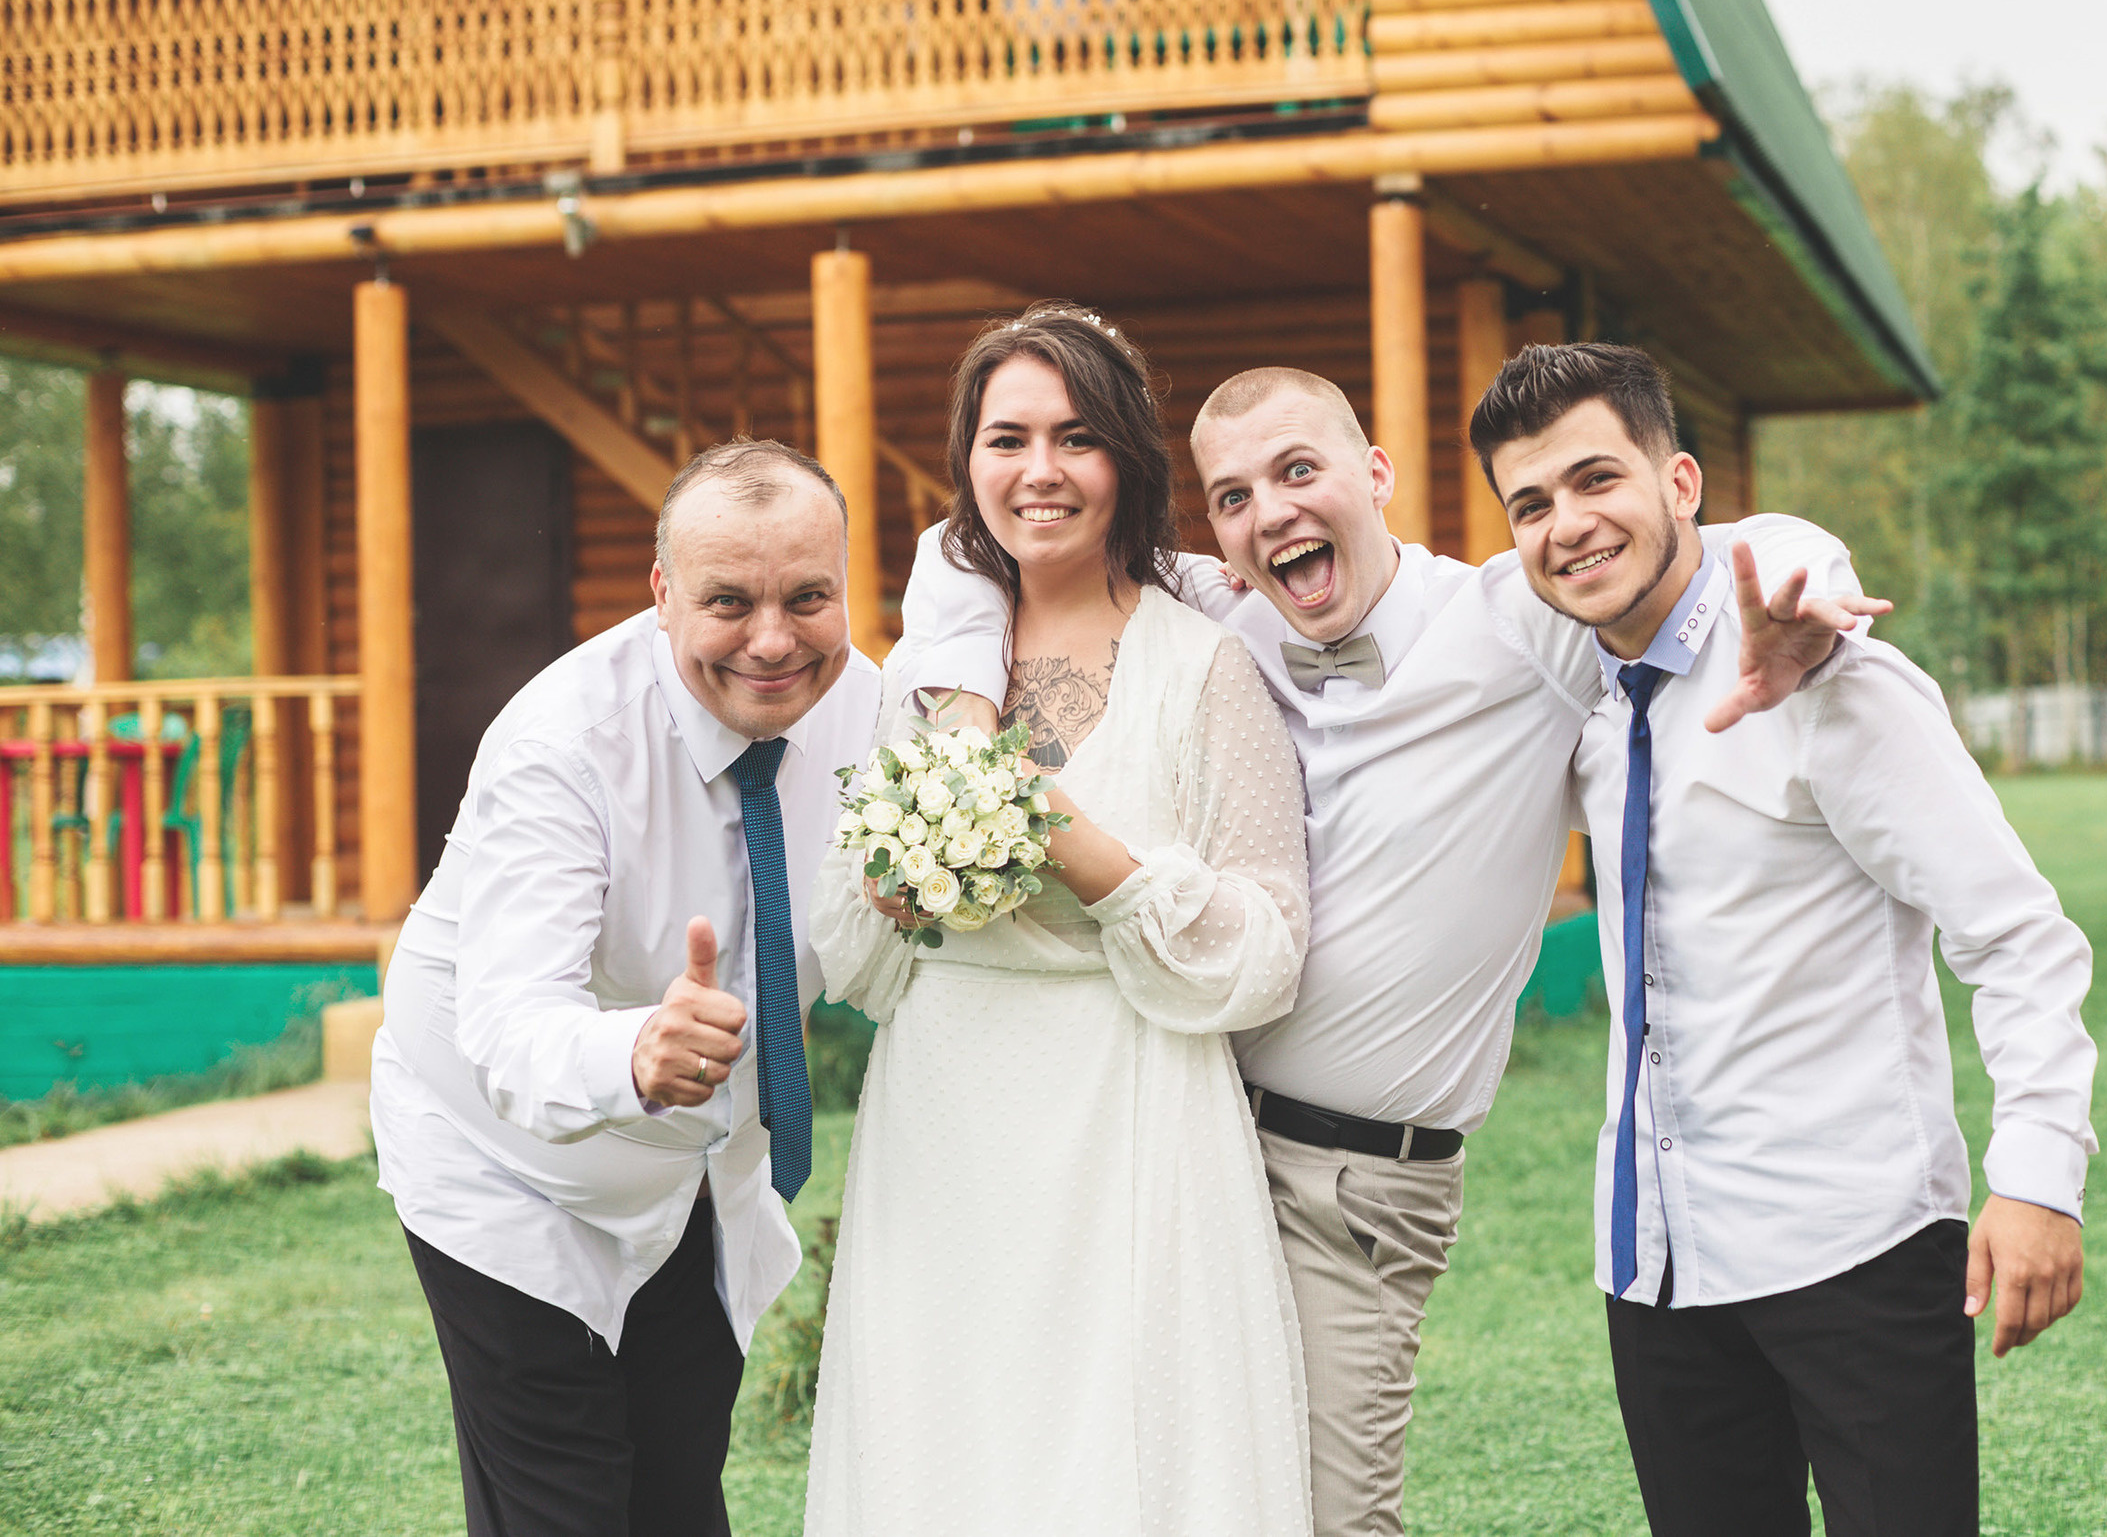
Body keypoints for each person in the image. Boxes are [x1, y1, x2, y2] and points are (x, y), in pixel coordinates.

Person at [900, 363, 1866, 1536]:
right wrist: (958, 705)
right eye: (1237, 497)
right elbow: (965, 551)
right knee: (1157, 1493)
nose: (1273, 513)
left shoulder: (1520, 625)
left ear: (1375, 474)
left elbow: (1716, 543)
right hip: (1177, 1137)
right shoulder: (1218, 617)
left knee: (1325, 1516)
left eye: (1300, 472)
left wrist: (1808, 577)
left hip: (1354, 1183)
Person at [1469, 342, 2099, 1537]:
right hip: (1652, 1263)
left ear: (1683, 483)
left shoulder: (1835, 683)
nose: (1568, 525)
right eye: (1532, 504)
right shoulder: (1578, 689)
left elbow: (2017, 936)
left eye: (1598, 480)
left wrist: (2037, 1180)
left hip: (1852, 1247)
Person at [802, 306, 1314, 1537]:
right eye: (1007, 438)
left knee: (1125, 1454)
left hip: (1131, 1101)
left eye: (1075, 438)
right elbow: (851, 955)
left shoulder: (1206, 665)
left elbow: (1266, 946)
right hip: (947, 1112)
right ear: (968, 463)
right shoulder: (926, 675)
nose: (1039, 471)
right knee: (946, 1439)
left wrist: (1081, 851)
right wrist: (888, 883)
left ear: (1127, 460)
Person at [370, 439, 882, 1537]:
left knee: (678, 1487)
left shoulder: (871, 718)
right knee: (563, 1502)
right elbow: (504, 1021)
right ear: (661, 594)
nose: (773, 641)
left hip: (704, 1168)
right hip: (502, 1165)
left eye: (808, 597)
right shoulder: (562, 744)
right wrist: (633, 1052)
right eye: (728, 602)